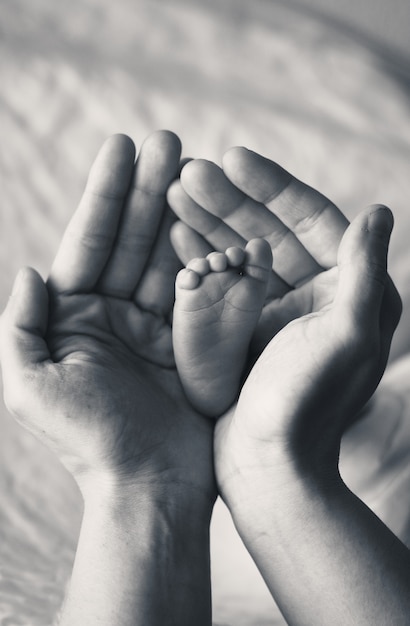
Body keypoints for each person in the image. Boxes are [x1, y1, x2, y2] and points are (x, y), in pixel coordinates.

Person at [1, 130, 409, 625]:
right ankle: (305, 406)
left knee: (376, 430)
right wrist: (270, 467)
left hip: (266, 535)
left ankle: (298, 400)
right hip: (339, 547)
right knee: (372, 433)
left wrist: (140, 479)